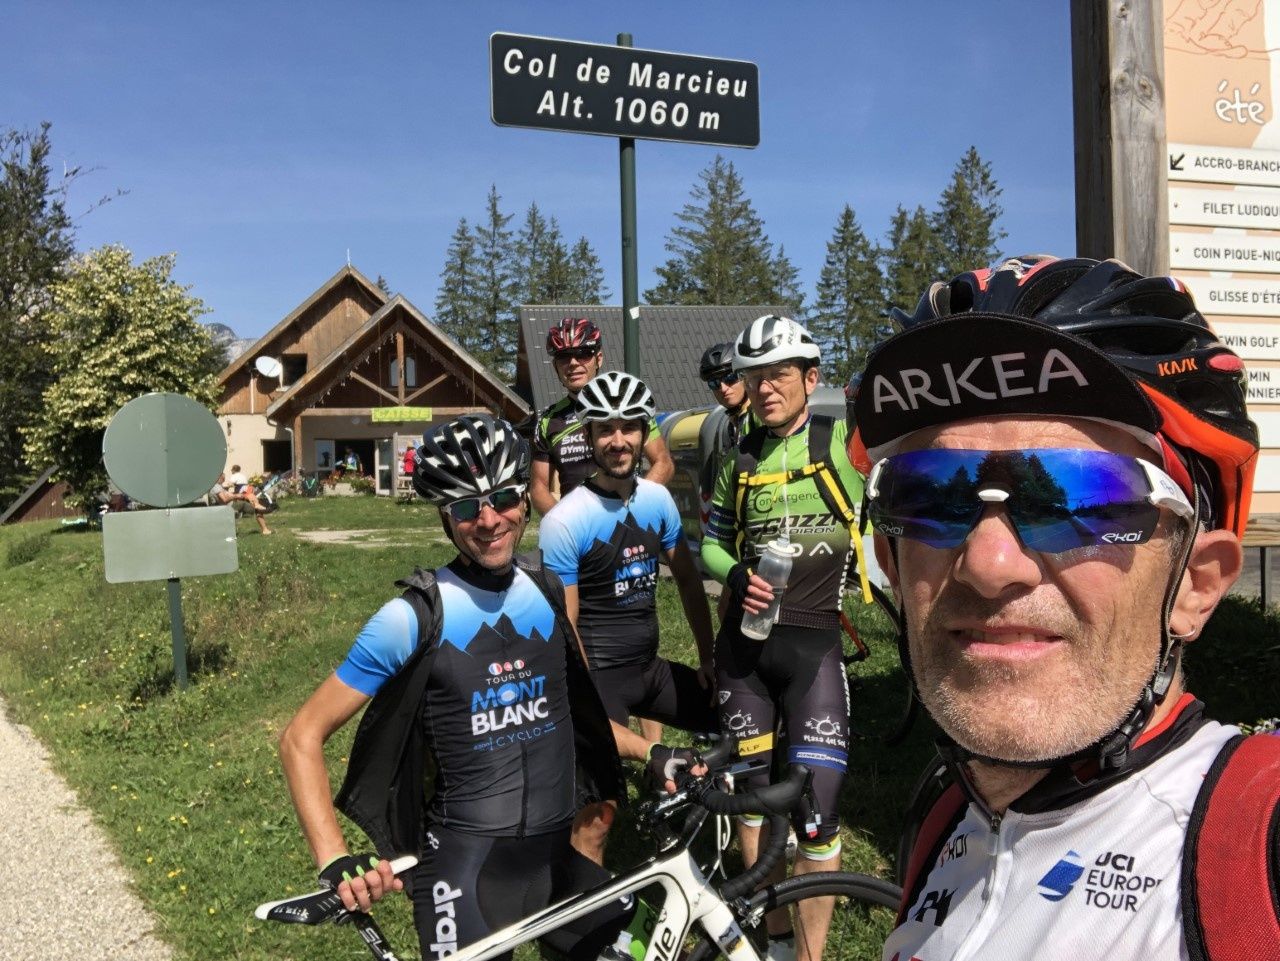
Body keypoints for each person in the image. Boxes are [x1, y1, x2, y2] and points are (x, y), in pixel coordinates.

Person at [848, 256, 1267, 961]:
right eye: (931, 495)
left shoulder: (1256, 851)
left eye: (1077, 496)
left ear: (1197, 581)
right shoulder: (948, 812)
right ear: (892, 563)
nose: (989, 563)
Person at [278, 414, 689, 961]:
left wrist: (654, 753)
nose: (490, 520)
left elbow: (577, 716)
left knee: (656, 950)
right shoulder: (413, 617)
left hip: (556, 861)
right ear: (446, 518)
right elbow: (301, 737)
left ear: (524, 497)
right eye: (468, 508)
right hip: (461, 873)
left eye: (504, 499)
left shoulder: (545, 589)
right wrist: (334, 860)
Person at [701, 315, 870, 961]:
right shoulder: (737, 457)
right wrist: (737, 571)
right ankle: (770, 944)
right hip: (744, 655)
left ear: (810, 377)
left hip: (813, 650)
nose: (765, 387)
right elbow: (711, 546)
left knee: (817, 822)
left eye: (778, 374)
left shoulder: (840, 446)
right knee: (752, 808)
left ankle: (809, 957)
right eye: (754, 377)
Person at [539, 371, 718, 864]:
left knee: (742, 718)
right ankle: (577, 916)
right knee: (598, 818)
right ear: (589, 437)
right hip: (600, 679)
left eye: (629, 428)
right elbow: (566, 625)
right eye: (605, 430)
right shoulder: (566, 521)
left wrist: (708, 657)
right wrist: (586, 710)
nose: (618, 441)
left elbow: (686, 581)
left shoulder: (657, 500)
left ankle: (735, 825)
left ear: (644, 434)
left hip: (648, 669)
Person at [531, 317, 674, 516]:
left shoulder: (630, 401)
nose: (573, 363)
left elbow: (663, 462)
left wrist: (634, 507)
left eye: (582, 354)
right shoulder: (548, 420)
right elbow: (538, 488)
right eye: (564, 357)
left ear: (599, 359)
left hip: (629, 520)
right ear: (555, 365)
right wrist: (565, 524)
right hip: (578, 529)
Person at [698, 341, 758, 621]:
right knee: (728, 608)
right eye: (713, 383)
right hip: (737, 529)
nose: (723, 387)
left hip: (763, 525)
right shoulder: (729, 422)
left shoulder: (759, 418)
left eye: (730, 377)